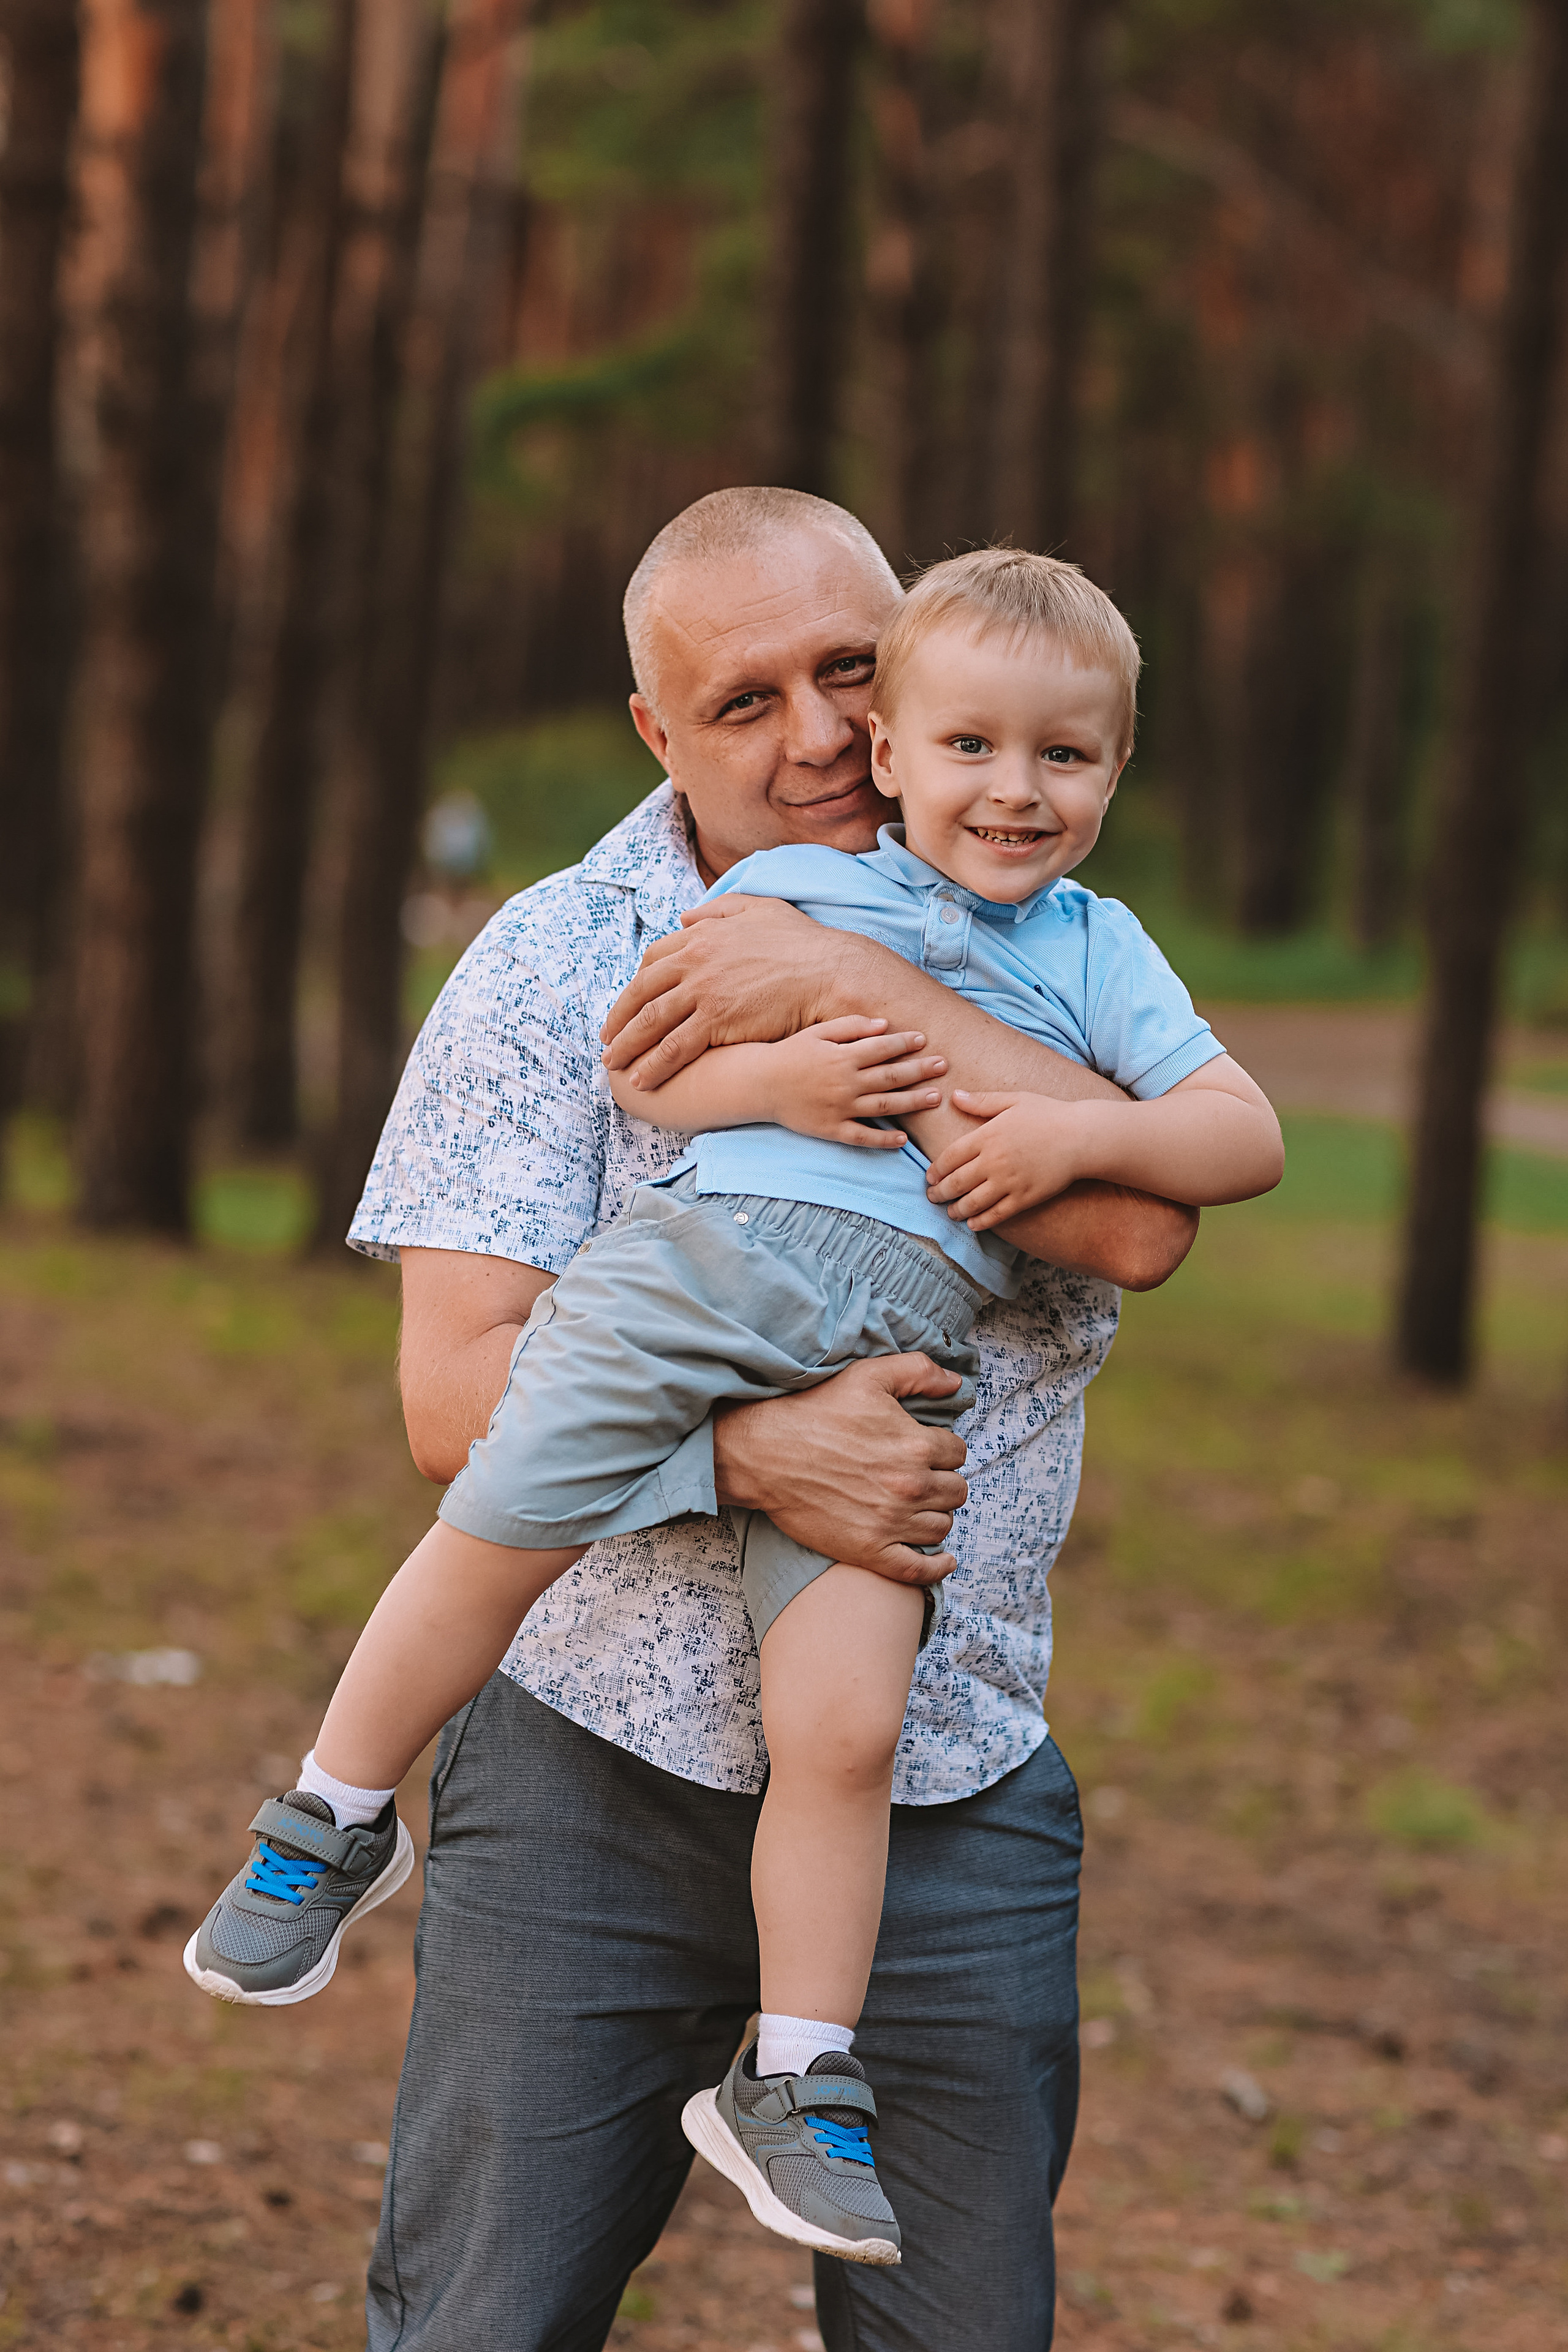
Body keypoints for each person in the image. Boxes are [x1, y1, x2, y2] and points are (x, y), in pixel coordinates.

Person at [189, 545, 1281, 2275]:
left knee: (957, 2307)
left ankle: (798, 2070)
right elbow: (453, 1403)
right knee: (492, 2301)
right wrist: (758, 1453)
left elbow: (1147, 1218)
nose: (824, 734)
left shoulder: (1040, 936)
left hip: (946, 1759)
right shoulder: (558, 952)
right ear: (653, 727)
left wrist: (870, 1007)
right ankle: (329, 1812)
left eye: (852, 670)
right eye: (745, 701)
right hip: (588, 1769)